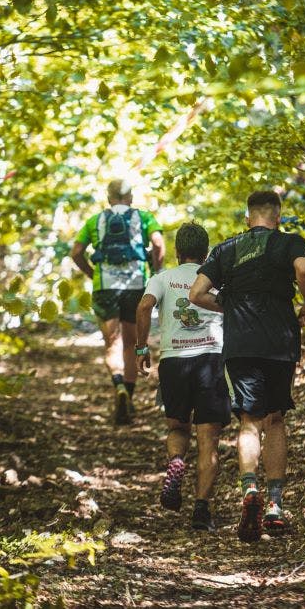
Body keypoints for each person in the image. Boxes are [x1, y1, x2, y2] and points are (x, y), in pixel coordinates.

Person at [189, 190, 305, 543]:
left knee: (249, 420)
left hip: (241, 344)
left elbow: (196, 293)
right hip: (280, 341)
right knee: (275, 419)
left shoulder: (227, 248)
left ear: (248, 218)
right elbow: (304, 269)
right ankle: (274, 505)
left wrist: (227, 307)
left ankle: (249, 489)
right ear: (278, 217)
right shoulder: (289, 242)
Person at [135, 222, 228, 531]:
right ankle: (201, 509)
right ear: (206, 252)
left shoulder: (162, 278)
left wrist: (140, 348)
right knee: (208, 440)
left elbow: (144, 306)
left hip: (174, 362)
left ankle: (176, 460)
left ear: (176, 251)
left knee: (178, 427)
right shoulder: (217, 280)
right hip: (211, 361)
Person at [71, 179, 165, 424]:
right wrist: (156, 272)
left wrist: (92, 274)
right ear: (130, 197)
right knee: (131, 344)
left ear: (108, 197)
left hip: (105, 288)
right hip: (135, 286)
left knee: (112, 344)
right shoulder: (144, 218)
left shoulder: (95, 220)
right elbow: (158, 244)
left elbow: (76, 252)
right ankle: (130, 398)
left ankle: (119, 387)